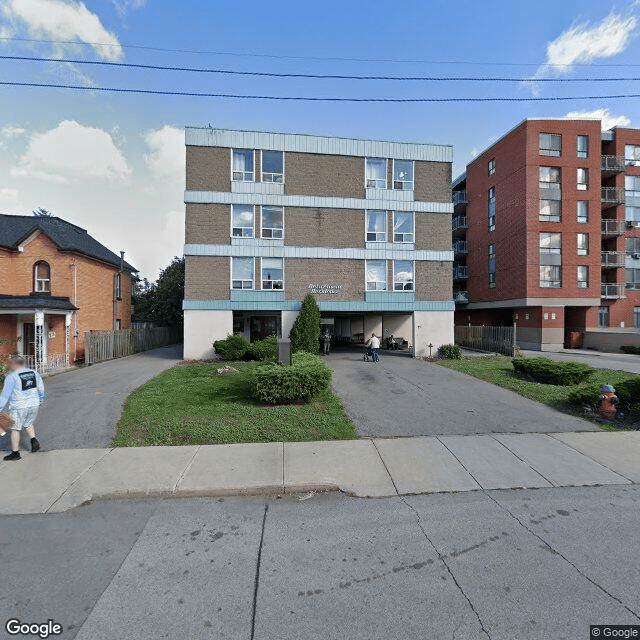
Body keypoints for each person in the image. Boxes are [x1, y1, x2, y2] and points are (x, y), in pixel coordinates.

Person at [0, 355, 44, 461]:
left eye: (10, 363)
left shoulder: (11, 377)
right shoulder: (34, 373)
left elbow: (5, 395)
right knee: (28, 423)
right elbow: (41, 387)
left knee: (15, 429)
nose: (9, 365)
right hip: (34, 404)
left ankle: (15, 453)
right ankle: (34, 442)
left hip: (19, 406)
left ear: (16, 364)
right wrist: (40, 399)